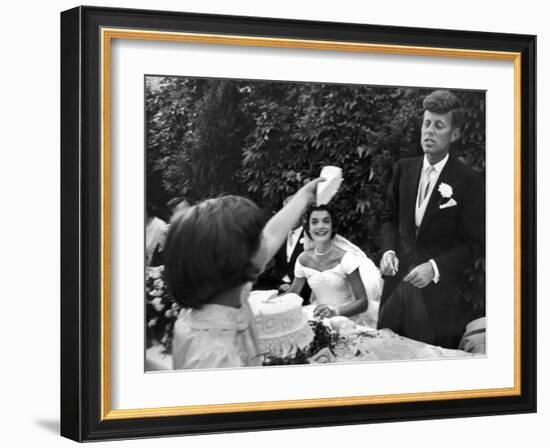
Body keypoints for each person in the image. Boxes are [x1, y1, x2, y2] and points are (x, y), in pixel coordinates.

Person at [164, 178, 323, 370]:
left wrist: (304, 195)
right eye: (257, 238)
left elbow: (272, 235)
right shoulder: (217, 356)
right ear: (237, 259)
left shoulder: (227, 289)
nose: (265, 239)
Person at [378, 89, 485, 349]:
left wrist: (434, 268)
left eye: (439, 126)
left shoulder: (468, 180)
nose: (429, 131)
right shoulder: (404, 168)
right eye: (426, 123)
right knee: (384, 355)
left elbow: (475, 244)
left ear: (454, 134)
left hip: (437, 301)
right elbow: (389, 218)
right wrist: (388, 250)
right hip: (395, 290)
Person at [284, 203, 382, 328]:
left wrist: (335, 312)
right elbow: (294, 292)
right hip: (318, 315)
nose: (320, 226)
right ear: (308, 228)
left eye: (326, 221)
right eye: (314, 222)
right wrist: (271, 303)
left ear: (332, 227)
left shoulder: (346, 259)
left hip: (347, 318)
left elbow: (362, 303)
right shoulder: (303, 260)